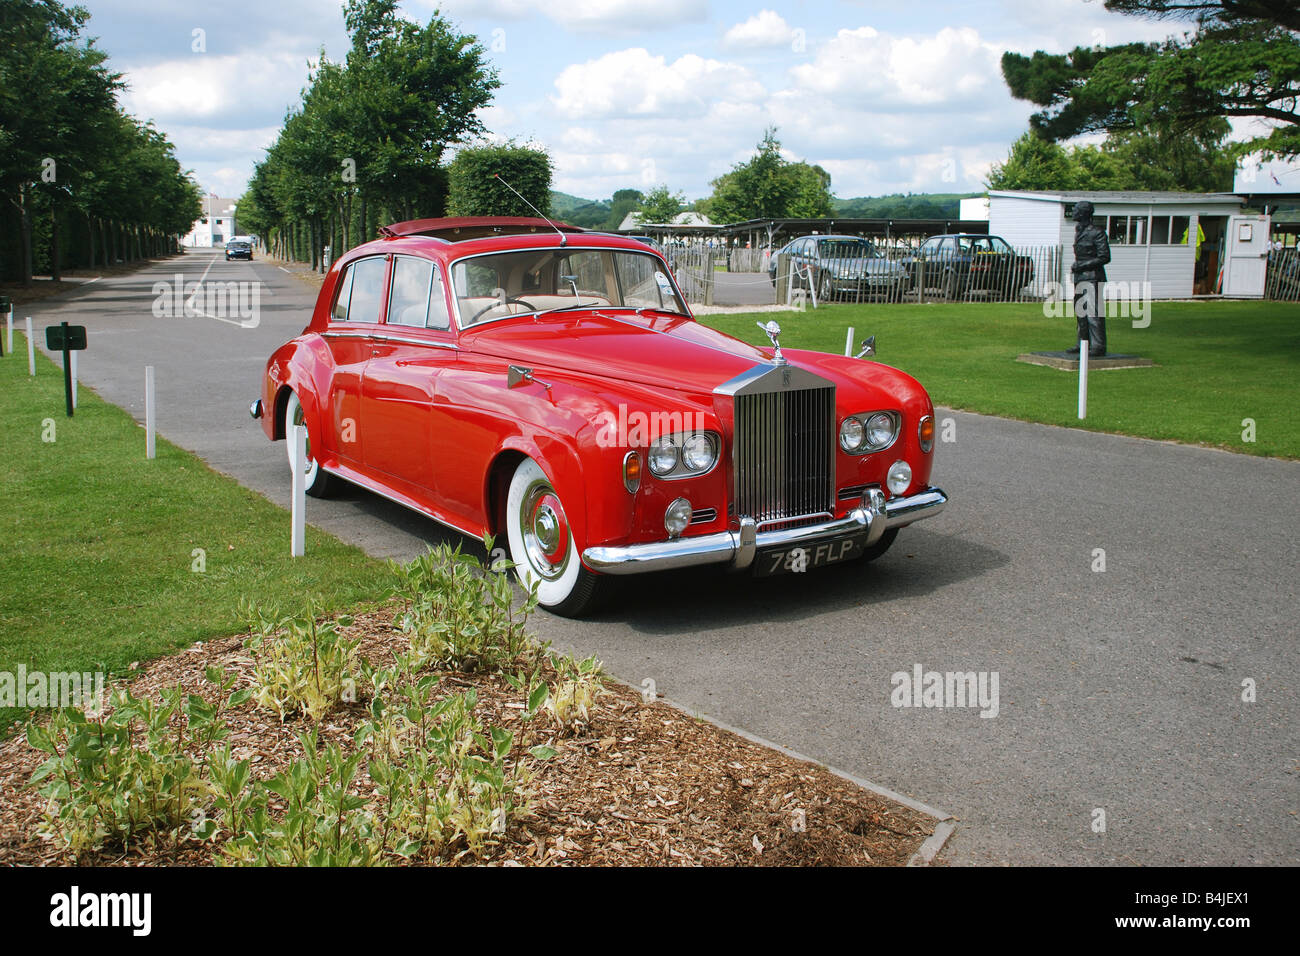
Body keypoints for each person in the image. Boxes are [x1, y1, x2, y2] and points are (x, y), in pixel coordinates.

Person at [1070, 200, 1110, 357]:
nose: (1073, 212)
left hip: (1093, 277)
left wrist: (1083, 265)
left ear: (1083, 213)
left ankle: (1098, 345)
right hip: (1080, 277)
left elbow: (1105, 257)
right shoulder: (1078, 231)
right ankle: (1083, 343)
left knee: (1093, 312)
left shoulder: (1097, 232)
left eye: (1076, 210)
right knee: (1080, 310)